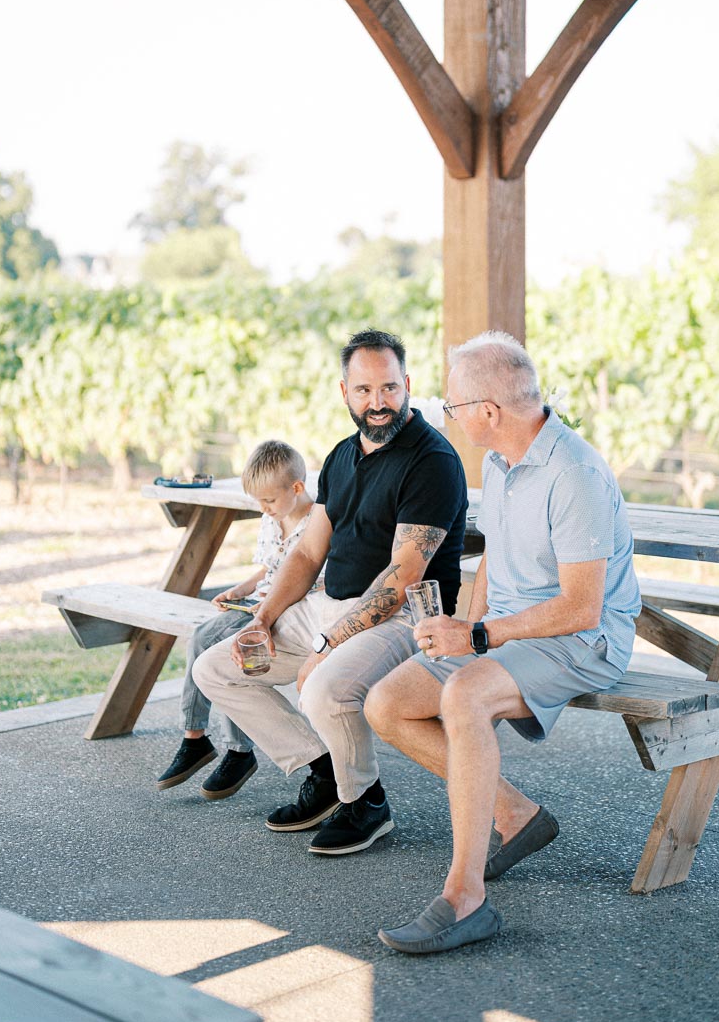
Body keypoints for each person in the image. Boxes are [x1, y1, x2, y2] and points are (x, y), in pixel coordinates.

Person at [366, 331, 641, 953]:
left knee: (464, 695)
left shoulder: (574, 475)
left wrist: (482, 636)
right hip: (510, 632)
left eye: (454, 404)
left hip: (583, 640)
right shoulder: (499, 459)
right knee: (387, 704)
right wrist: (463, 627)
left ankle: (466, 900)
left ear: (488, 412)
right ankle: (516, 814)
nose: (449, 415)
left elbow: (581, 607)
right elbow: (494, 556)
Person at [193, 328, 468, 856]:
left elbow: (403, 577)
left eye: (388, 388)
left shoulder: (432, 460)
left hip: (403, 619)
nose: (378, 403)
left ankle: (365, 801)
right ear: (345, 393)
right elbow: (306, 553)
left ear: (407, 385)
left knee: (323, 688)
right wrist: (263, 617)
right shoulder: (342, 456)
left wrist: (324, 647)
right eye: (364, 391)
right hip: (329, 606)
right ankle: (320, 769)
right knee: (217, 668)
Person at [156, 439, 315, 800]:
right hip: (258, 603)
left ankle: (239, 751)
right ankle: (194, 737)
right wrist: (237, 590)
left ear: (297, 487)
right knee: (200, 637)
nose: (264, 509)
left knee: (228, 651)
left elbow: (302, 579)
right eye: (258, 502)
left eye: (269, 501)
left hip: (287, 610)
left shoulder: (314, 524)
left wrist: (263, 609)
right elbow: (268, 570)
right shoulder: (273, 518)